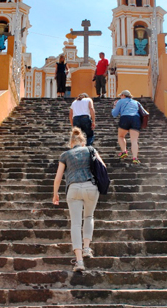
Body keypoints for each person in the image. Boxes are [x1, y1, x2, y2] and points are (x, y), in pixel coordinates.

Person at [53, 127, 105, 272]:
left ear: (71, 143)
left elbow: (58, 178)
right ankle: (87, 248)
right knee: (89, 216)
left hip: (73, 188)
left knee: (75, 224)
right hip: (91, 187)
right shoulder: (90, 150)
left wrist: (55, 194)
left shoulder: (65, 155)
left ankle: (79, 261)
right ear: (83, 142)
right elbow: (103, 166)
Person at [111, 89, 141, 164]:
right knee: (134, 140)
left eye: (121, 95)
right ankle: (135, 158)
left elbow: (114, 114)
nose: (120, 97)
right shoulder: (136, 102)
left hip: (125, 118)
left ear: (123, 95)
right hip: (136, 118)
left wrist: (114, 106)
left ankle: (124, 151)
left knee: (121, 136)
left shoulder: (120, 101)